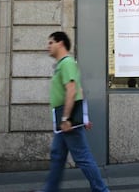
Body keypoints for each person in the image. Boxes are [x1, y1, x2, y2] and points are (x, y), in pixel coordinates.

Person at [41, 31, 110, 192]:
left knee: (83, 158)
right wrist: (84, 118)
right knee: (57, 157)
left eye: (51, 43)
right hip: (64, 120)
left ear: (61, 43)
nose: (48, 46)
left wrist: (66, 119)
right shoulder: (61, 65)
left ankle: (102, 190)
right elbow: (79, 90)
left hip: (67, 120)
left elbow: (72, 91)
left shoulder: (67, 63)